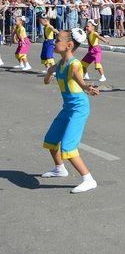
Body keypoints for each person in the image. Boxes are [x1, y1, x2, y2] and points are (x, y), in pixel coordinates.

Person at [40, 28, 100, 193]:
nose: (54, 42)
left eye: (57, 40)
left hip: (79, 108)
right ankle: (60, 169)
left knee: (68, 146)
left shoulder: (74, 64)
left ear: (69, 45)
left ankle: (89, 179)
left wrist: (88, 87)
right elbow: (47, 80)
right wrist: (48, 74)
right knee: (51, 141)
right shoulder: (59, 64)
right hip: (67, 108)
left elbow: (81, 83)